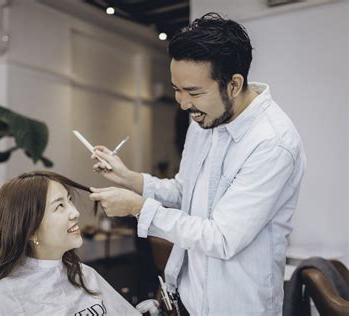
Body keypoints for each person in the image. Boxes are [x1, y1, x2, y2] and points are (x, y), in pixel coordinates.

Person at [89, 12, 306, 315]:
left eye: (193, 92)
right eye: (177, 89)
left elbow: (222, 238)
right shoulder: (204, 118)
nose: (182, 102)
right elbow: (184, 191)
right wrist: (128, 178)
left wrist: (138, 208)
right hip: (186, 299)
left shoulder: (273, 142)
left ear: (233, 84)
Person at [0, 171, 140, 315]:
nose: (75, 212)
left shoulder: (85, 275)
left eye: (69, 200)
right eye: (59, 206)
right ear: (30, 231)